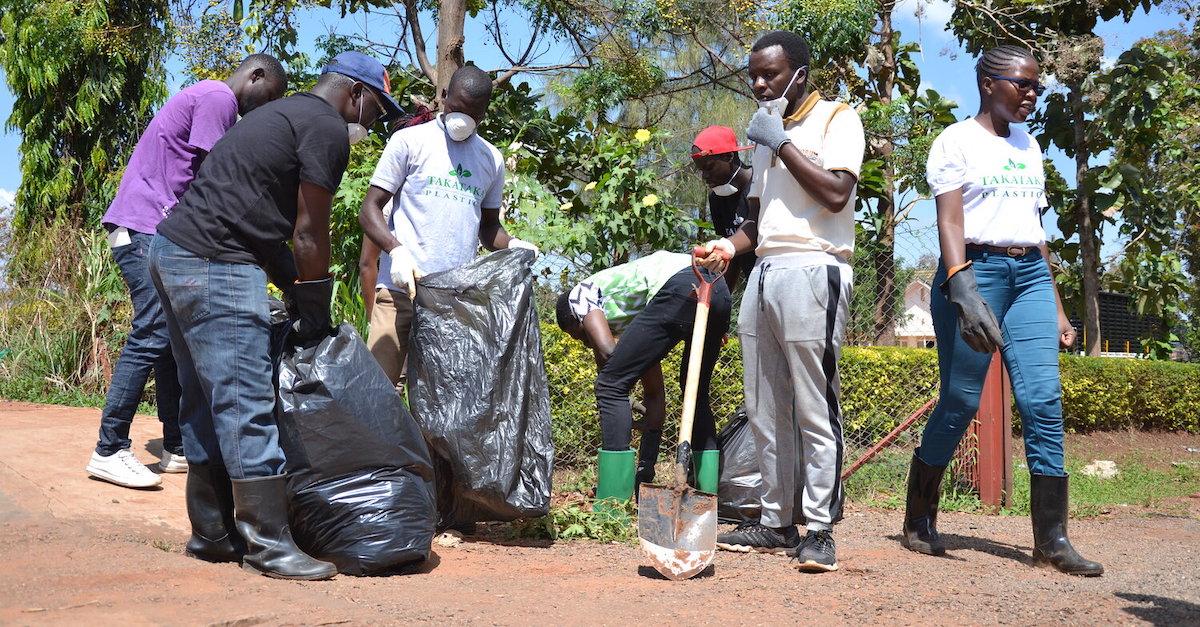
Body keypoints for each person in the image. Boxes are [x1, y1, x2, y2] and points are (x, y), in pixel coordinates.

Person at [149, 51, 403, 580]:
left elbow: (264, 221)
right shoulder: (327, 127)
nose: (372, 124)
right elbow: (309, 232)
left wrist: (295, 286)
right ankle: (268, 543)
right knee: (245, 399)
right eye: (376, 110)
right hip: (217, 262)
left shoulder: (278, 115)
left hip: (173, 252)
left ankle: (213, 533)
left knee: (204, 395)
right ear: (354, 94)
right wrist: (313, 299)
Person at [900, 45, 1103, 577]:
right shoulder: (955, 142)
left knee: (1043, 400)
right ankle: (919, 514)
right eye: (1023, 85)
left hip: (1030, 276)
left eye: (1037, 86)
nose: (1033, 94)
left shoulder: (1029, 145)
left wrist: (1057, 308)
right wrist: (959, 284)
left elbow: (1036, 236)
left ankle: (1052, 539)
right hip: (977, 273)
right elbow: (949, 222)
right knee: (961, 399)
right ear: (988, 83)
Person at [701, 30, 864, 572]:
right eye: (752, 74)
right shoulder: (766, 134)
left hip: (816, 268)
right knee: (763, 406)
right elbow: (758, 221)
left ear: (800, 72)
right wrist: (727, 246)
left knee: (815, 406)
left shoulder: (838, 119)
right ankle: (776, 522)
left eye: (769, 74)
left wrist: (782, 143)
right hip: (765, 272)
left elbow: (837, 193)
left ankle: (820, 528)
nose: (758, 84)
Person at [86, 55, 287, 489]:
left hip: (147, 226)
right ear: (255, 76)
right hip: (144, 224)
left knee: (172, 337)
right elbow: (219, 176)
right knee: (154, 329)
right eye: (266, 97)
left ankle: (176, 444)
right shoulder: (218, 97)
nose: (260, 110)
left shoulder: (211, 98)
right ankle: (109, 448)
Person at [358, 64, 537, 387]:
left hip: (452, 302)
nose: (460, 120)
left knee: (444, 407)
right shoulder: (410, 142)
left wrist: (511, 244)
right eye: (455, 108)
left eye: (471, 114)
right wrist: (396, 251)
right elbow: (369, 209)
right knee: (379, 395)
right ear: (443, 97)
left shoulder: (490, 159)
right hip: (400, 292)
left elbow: (488, 228)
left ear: (484, 113)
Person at [555, 251, 732, 506]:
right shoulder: (635, 319)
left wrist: (622, 402)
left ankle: (612, 503)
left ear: (575, 316)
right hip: (717, 290)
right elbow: (654, 394)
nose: (583, 342)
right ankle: (706, 501)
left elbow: (608, 355)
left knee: (609, 385)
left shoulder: (580, 294)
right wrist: (645, 466)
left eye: (578, 335)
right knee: (696, 393)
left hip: (683, 283)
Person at [691, 125, 755, 293]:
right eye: (701, 170)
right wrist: (721, 299)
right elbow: (732, 256)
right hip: (754, 285)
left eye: (709, 167)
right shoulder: (717, 199)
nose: (704, 176)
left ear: (728, 156)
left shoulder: (760, 185)